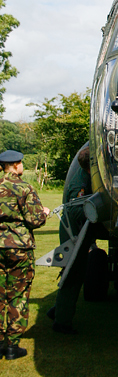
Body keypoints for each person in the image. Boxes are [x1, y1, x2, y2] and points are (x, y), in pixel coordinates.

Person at [0, 150, 50, 360]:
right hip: (20, 247)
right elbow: (35, 220)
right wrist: (45, 213)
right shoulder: (24, 188)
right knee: (18, 294)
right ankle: (12, 345)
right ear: (17, 165)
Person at [49, 143, 96, 334]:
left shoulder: (83, 177)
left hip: (74, 233)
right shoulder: (80, 184)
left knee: (71, 274)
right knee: (72, 276)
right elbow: (78, 211)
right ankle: (62, 322)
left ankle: (58, 311)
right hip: (74, 234)